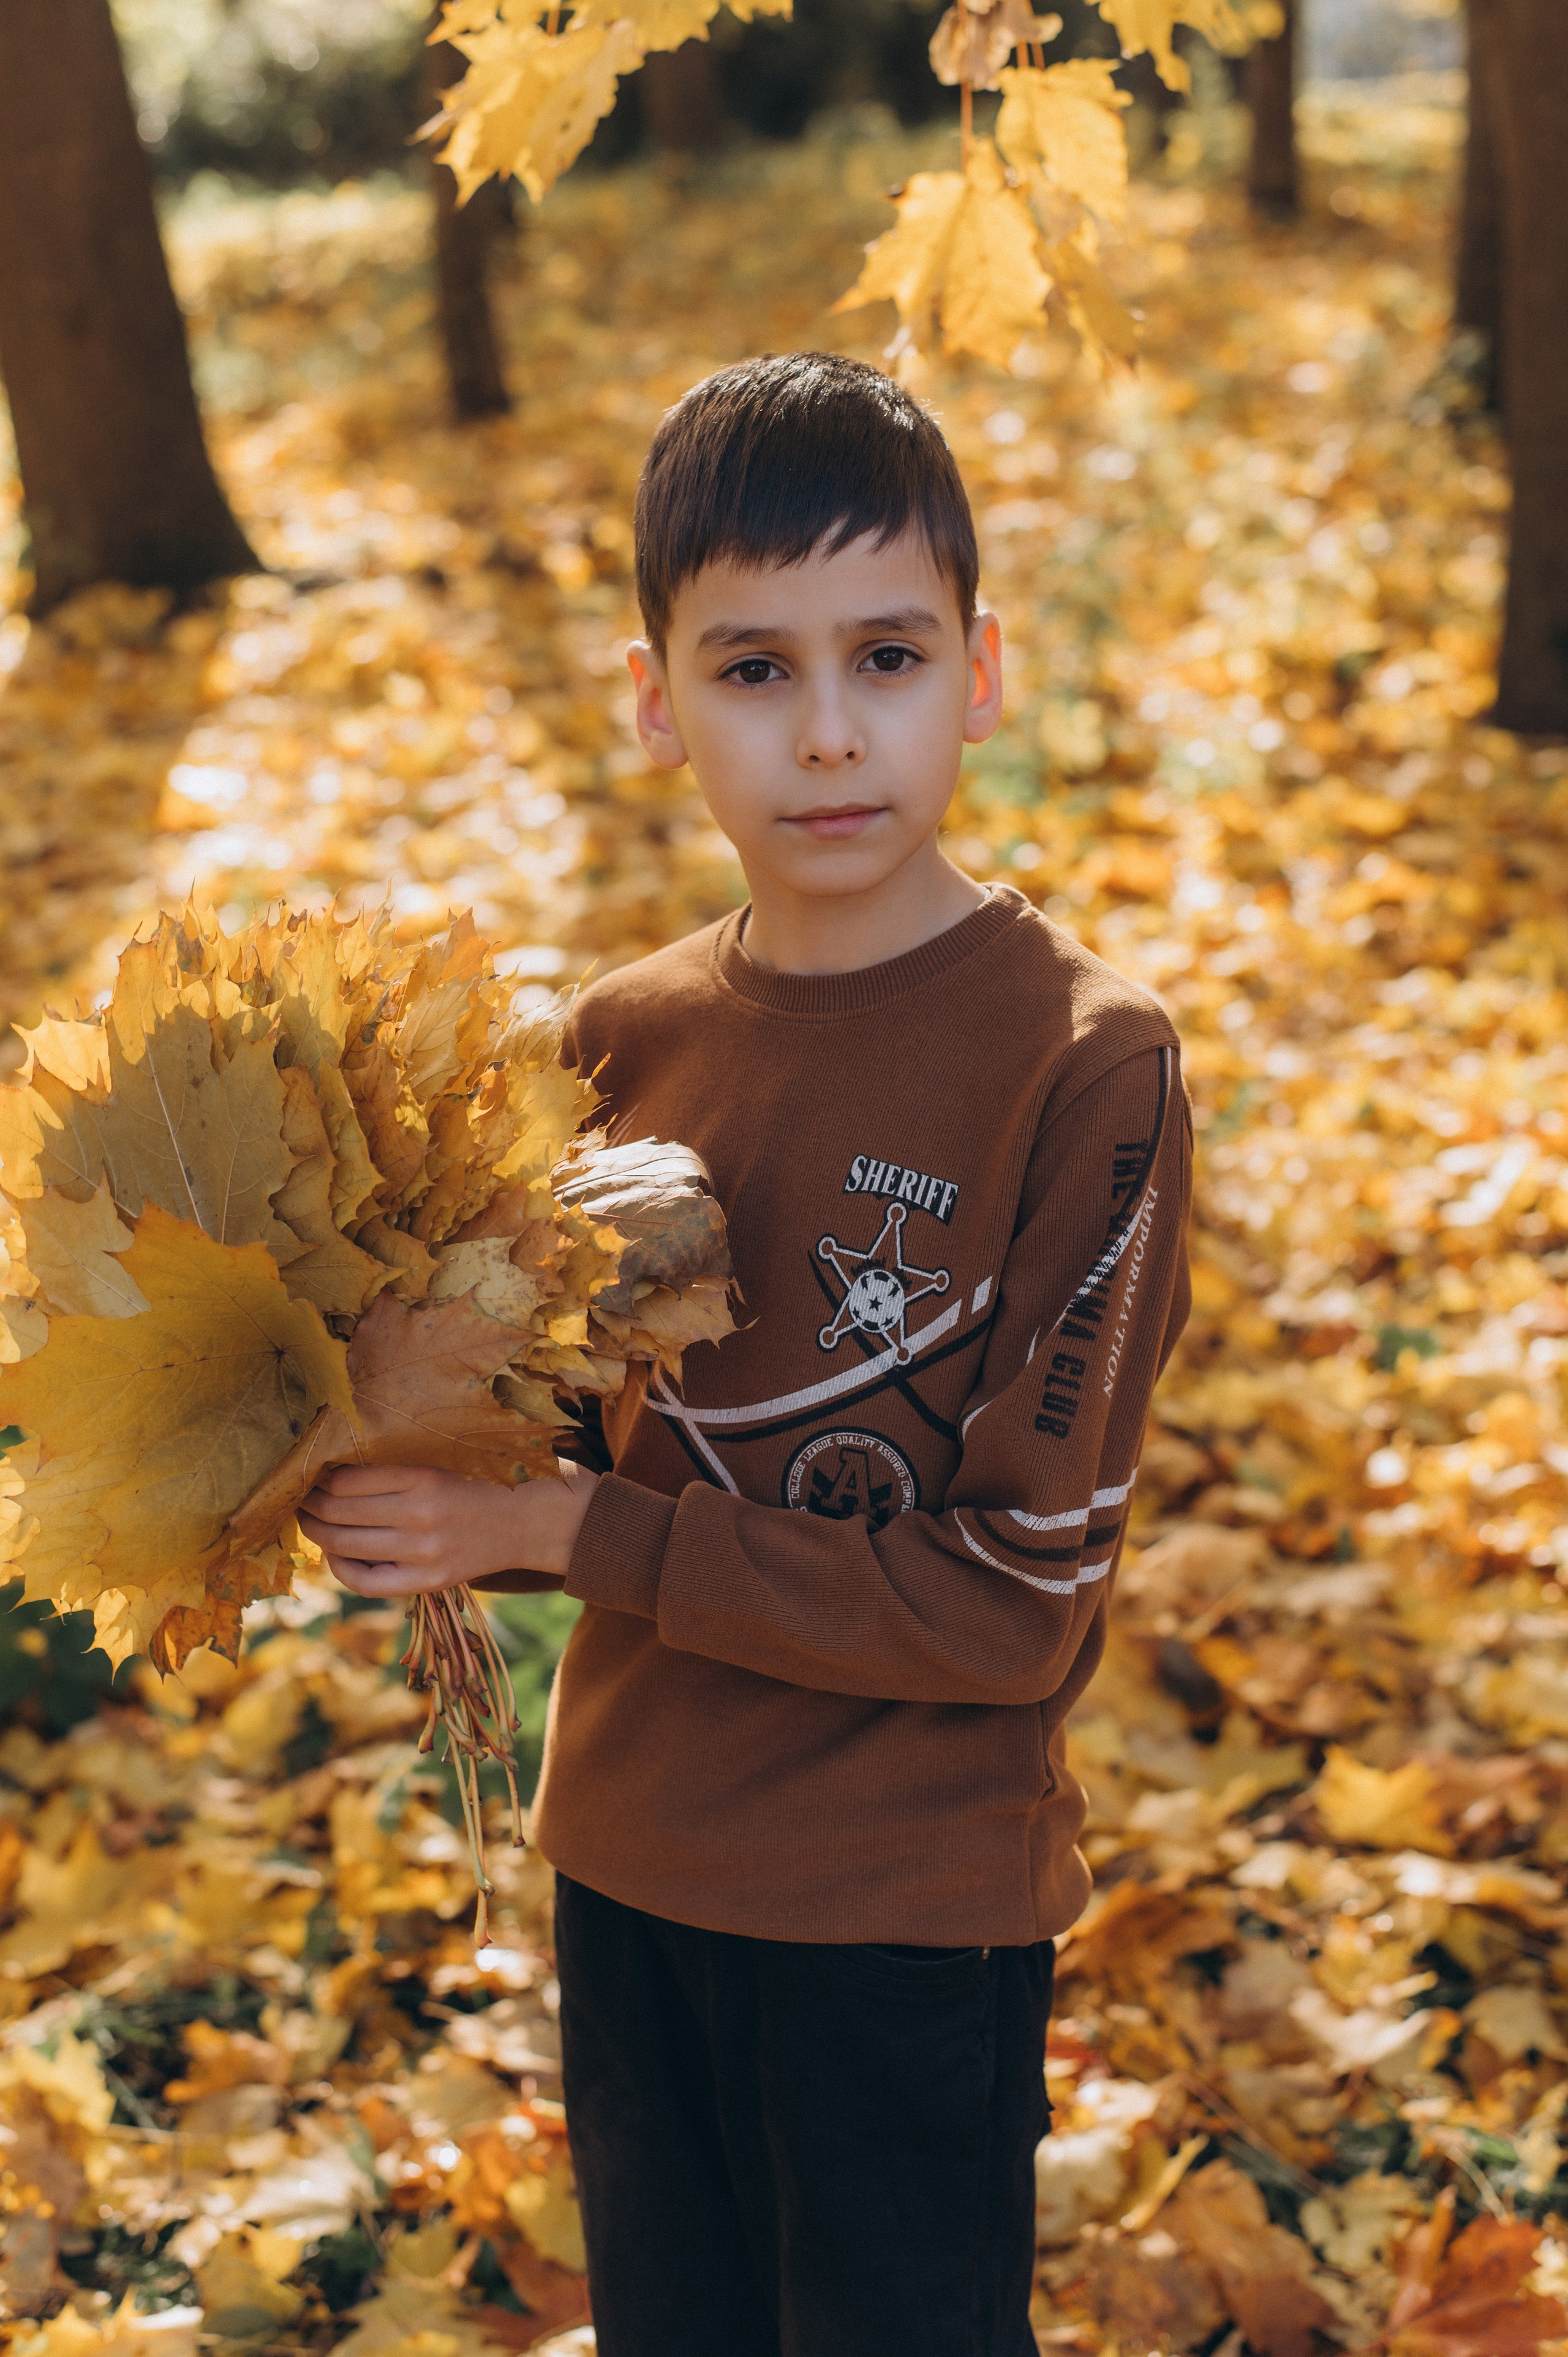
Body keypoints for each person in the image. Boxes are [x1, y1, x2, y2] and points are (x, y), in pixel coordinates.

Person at [302, 351, 1192, 2357]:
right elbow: (519, 1440)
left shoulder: (1085, 1061)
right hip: (627, 1866)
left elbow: (1015, 1610)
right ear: (656, 702)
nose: (828, 734)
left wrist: (554, 1524)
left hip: (903, 1916)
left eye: (885, 655)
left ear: (982, 672)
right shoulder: (614, 1044)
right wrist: (359, 1437)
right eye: (753, 670)